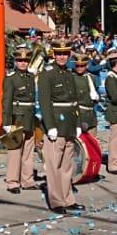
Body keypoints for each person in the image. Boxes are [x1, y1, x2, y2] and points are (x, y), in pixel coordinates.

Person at [36, 42, 81, 214]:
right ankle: (56, 201)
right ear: (54, 55)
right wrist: (50, 126)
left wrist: (77, 123)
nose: (62, 57)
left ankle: (68, 199)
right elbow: (45, 102)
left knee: (67, 165)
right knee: (54, 166)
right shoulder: (47, 74)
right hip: (55, 124)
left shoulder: (69, 75)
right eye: (59, 54)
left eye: (65, 54)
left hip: (69, 124)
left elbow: (75, 101)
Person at [1, 48, 40, 191]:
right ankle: (12, 182)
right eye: (20, 61)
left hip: (29, 117)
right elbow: (6, 101)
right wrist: (6, 122)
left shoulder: (30, 77)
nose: (23, 63)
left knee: (28, 151)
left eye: (25, 61)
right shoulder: (11, 78)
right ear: (15, 62)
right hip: (16, 117)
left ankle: (27, 180)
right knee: (15, 151)